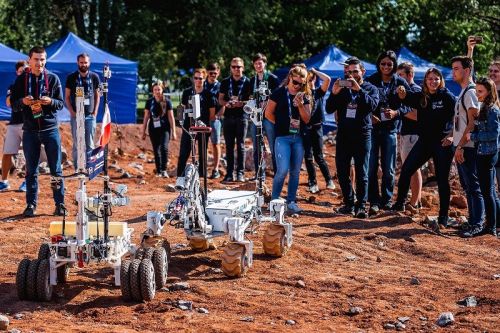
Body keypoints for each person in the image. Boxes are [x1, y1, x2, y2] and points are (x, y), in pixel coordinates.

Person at [392, 68, 456, 229]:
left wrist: (453, 136)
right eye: (430, 79)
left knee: (442, 180)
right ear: (425, 81)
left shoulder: (447, 96)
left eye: (436, 79)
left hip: (443, 144)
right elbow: (404, 97)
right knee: (406, 170)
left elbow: (460, 117)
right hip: (424, 142)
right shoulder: (422, 96)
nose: (433, 82)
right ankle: (399, 205)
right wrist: (401, 92)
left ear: (441, 80)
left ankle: (443, 217)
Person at [10, 46, 65, 217]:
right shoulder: (21, 80)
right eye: (36, 59)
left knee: (56, 169)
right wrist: (23, 102)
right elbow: (13, 104)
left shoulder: (53, 79)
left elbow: (60, 104)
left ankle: (60, 204)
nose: (39, 63)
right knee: (31, 170)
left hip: (50, 130)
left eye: (42, 59)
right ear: (29, 60)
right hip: (30, 131)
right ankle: (31, 204)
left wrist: (50, 102)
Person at [325, 58, 379, 218]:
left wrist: (358, 90)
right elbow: (328, 108)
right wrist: (333, 94)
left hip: (363, 134)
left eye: (355, 71)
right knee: (342, 170)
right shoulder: (342, 88)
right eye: (348, 72)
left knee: (362, 171)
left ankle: (361, 206)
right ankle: (349, 203)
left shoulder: (371, 88)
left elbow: (372, 106)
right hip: (343, 134)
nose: (352, 75)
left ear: (363, 72)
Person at [366, 50, 412, 215]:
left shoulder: (400, 82)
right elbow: (361, 101)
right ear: (378, 64)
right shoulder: (370, 80)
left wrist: (396, 113)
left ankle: (386, 200)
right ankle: (373, 201)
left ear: (394, 66)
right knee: (371, 167)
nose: (386, 66)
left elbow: (410, 104)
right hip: (372, 129)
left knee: (389, 168)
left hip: (390, 129)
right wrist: (369, 115)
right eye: (383, 63)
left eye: (389, 64)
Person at [265, 64, 311, 214]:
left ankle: (291, 201)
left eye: (301, 83)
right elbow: (268, 114)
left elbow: (307, 119)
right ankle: (275, 199)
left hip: (298, 138)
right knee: (282, 169)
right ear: (290, 78)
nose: (297, 86)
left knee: (295, 172)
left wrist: (300, 106)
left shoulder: (305, 96)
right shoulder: (278, 93)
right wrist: (279, 125)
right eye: (295, 82)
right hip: (283, 137)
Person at [451, 56, 485, 230]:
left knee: (473, 186)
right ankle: (473, 221)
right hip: (461, 145)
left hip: (468, 147)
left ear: (467, 71)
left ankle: (478, 224)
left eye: (456, 68)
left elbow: (472, 123)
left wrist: (461, 146)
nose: (453, 72)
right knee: (468, 186)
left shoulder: (471, 92)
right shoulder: (464, 91)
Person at [466, 78, 500, 237]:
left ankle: (491, 227)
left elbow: (494, 134)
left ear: (488, 92)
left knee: (488, 192)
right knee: (489, 192)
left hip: (488, 154)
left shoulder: (492, 110)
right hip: (484, 152)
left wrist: (474, 136)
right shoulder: (485, 107)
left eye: (480, 91)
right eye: (476, 90)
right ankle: (492, 225)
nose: (477, 94)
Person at [64, 53, 101, 169]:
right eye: (81, 62)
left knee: (89, 143)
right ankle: (77, 168)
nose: (83, 64)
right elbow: (67, 97)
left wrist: (95, 112)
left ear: (89, 63)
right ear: (77, 63)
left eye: (86, 62)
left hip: (90, 115)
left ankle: (90, 168)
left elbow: (97, 96)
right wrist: (71, 112)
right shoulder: (71, 77)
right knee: (77, 143)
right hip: (76, 115)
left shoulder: (94, 77)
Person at [218, 57, 252, 183]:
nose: (236, 69)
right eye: (234, 67)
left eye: (239, 67)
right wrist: (227, 104)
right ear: (231, 68)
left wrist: (241, 103)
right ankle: (229, 174)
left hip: (242, 117)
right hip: (228, 118)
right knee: (229, 146)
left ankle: (240, 173)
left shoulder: (248, 82)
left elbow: (251, 100)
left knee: (241, 145)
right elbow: (220, 99)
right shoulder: (225, 82)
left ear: (243, 67)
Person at [177, 68, 215, 177]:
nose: (198, 80)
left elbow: (212, 114)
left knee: (202, 152)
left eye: (201, 78)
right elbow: (183, 108)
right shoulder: (187, 92)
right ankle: (180, 177)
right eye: (196, 78)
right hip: (188, 126)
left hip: (203, 127)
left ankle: (202, 176)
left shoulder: (208, 94)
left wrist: (203, 122)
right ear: (193, 79)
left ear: (205, 79)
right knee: (184, 152)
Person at [303, 68, 335, 193]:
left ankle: (329, 180)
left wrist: (315, 71)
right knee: (308, 156)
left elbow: (327, 79)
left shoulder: (318, 92)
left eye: (312, 79)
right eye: (308, 79)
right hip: (305, 128)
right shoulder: (302, 95)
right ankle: (312, 182)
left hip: (317, 127)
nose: (310, 81)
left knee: (319, 156)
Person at [248, 53, 280, 180]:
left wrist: (267, 103)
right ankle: (259, 174)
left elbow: (277, 97)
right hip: (256, 116)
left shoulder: (272, 78)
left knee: (273, 145)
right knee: (256, 147)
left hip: (269, 116)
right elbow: (250, 96)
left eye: (260, 63)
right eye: (255, 63)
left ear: (265, 63)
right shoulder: (252, 80)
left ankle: (277, 173)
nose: (258, 65)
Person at [396, 62, 423, 211]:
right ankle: (415, 201)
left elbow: (419, 115)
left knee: (413, 168)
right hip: (406, 133)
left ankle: (414, 202)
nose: (399, 79)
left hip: (414, 134)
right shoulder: (404, 91)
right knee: (409, 168)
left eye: (401, 75)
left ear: (410, 75)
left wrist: (399, 110)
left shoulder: (416, 90)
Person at [0, 60, 27, 192]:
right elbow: (8, 103)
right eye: (21, 71)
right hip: (14, 123)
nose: (23, 73)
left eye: (26, 70)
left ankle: (28, 182)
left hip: (28, 124)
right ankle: (4, 182)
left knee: (30, 154)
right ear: (17, 72)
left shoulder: (32, 85)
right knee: (6, 153)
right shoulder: (13, 85)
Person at [141, 81, 176, 177]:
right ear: (153, 91)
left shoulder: (167, 101)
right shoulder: (149, 102)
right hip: (153, 129)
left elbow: (171, 117)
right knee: (156, 150)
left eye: (159, 89)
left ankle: (164, 170)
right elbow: (146, 116)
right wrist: (143, 131)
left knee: (164, 148)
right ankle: (159, 171)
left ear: (162, 90)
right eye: (155, 89)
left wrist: (174, 132)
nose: (157, 91)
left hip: (165, 129)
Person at [204, 63, 222, 179]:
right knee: (202, 144)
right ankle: (203, 168)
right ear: (206, 73)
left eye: (215, 73)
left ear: (218, 72)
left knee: (215, 143)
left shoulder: (221, 86)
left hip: (215, 118)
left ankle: (215, 168)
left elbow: (224, 101)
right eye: (210, 73)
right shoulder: (202, 84)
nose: (213, 75)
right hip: (203, 118)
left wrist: (218, 115)